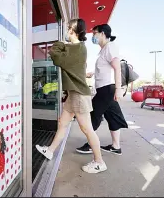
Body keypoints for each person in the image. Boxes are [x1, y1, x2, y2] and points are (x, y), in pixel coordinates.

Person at [36, 19, 107, 173]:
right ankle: (50, 150)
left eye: (68, 28)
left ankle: (99, 161)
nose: (66, 31)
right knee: (62, 123)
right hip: (73, 93)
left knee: (87, 129)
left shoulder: (78, 49)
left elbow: (55, 55)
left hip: (79, 94)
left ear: (72, 30)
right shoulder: (75, 48)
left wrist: (60, 43)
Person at [76, 24, 128, 155]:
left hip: (107, 89)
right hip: (105, 89)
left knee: (93, 116)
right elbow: (106, 67)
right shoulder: (104, 50)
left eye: (95, 33)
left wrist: (118, 88)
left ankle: (90, 145)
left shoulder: (110, 47)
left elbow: (117, 68)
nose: (93, 36)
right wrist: (93, 73)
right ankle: (116, 146)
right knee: (113, 116)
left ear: (103, 33)